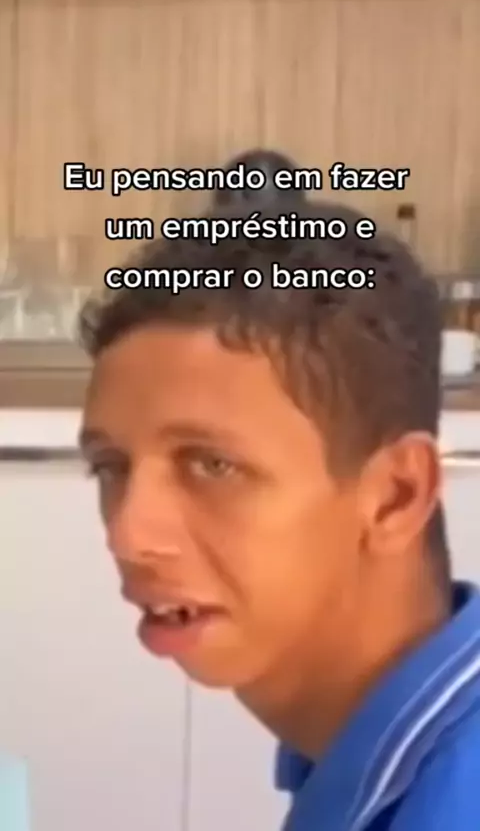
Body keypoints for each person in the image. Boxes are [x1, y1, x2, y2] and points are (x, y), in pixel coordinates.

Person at [78, 193, 480, 831]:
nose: (127, 535)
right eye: (110, 466)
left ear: (395, 495)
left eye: (213, 465)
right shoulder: (364, 744)